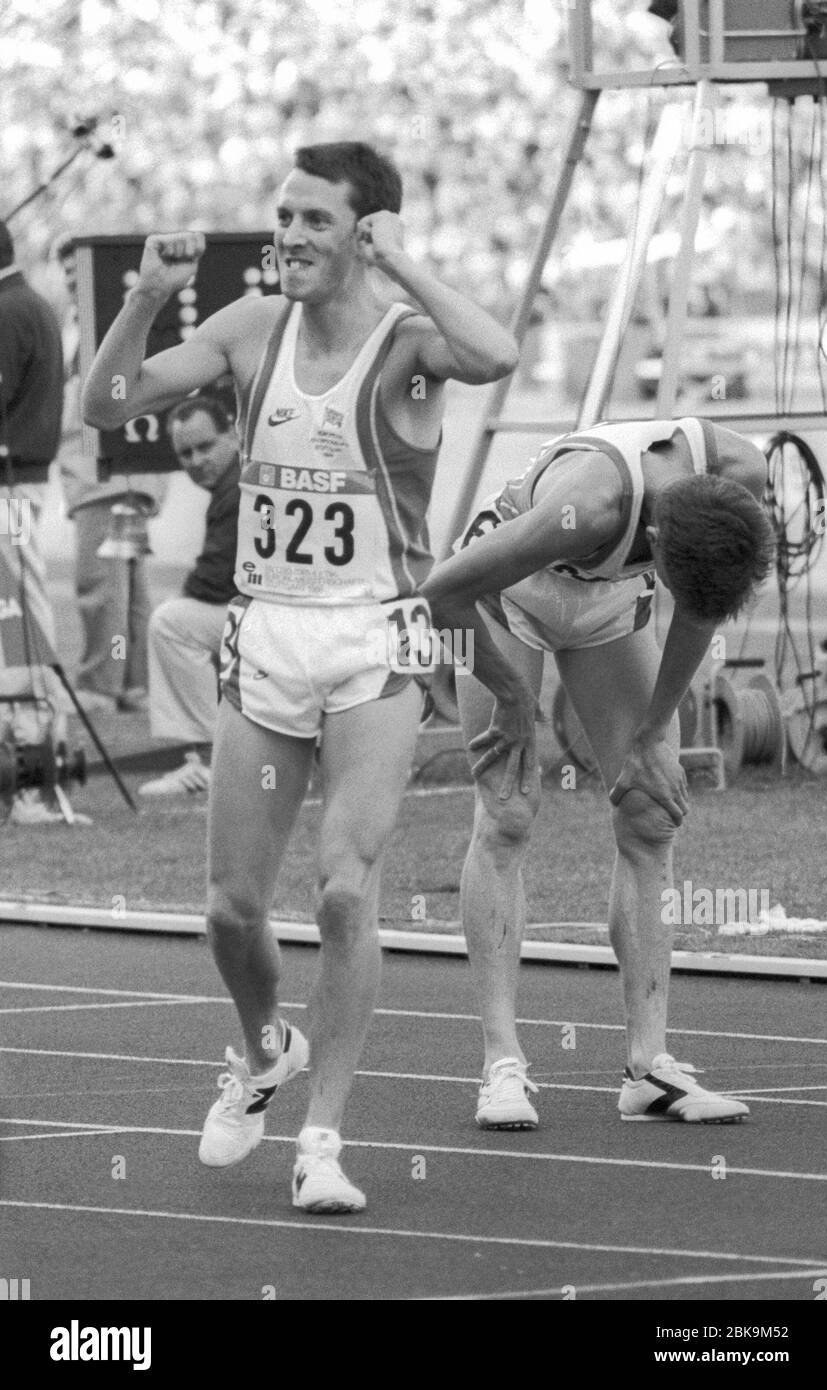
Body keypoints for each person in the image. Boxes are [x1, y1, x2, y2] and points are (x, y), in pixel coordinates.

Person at [82, 141, 518, 1211]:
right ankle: (263, 1047)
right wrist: (142, 300)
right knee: (231, 911)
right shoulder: (246, 332)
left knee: (340, 885)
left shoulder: (409, 341)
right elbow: (108, 403)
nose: (287, 236)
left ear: (365, 231)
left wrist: (405, 266)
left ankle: (322, 1136)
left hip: (373, 639)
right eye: (283, 217)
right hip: (266, 637)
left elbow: (493, 350)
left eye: (315, 219)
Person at [420, 417, 775, 1130]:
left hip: (610, 606)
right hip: (501, 601)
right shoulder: (589, 503)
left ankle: (648, 1067)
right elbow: (441, 594)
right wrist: (514, 697)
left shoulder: (740, 481)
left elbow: (701, 609)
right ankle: (501, 1062)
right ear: (658, 546)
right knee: (509, 811)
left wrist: (651, 735)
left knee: (651, 810)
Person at [55, 236, 167, 712]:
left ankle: (102, 685)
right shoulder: (92, 325)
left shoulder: (104, 325)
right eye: (65, 273)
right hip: (122, 476)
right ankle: (133, 685)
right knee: (128, 583)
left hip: (105, 475)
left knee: (103, 583)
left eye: (77, 270)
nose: (70, 281)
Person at [0, 218, 68, 823]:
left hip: (10, 486)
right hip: (21, 482)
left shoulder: (8, 309)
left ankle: (33, 779)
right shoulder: (29, 303)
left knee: (17, 625)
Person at [139, 396, 239, 796]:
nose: (196, 460)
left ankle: (211, 760)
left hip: (290, 623)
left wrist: (186, 592)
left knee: (172, 622)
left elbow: (214, 581)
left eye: (205, 446)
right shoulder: (235, 480)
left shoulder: (237, 487)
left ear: (232, 433)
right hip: (301, 618)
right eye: (185, 453)